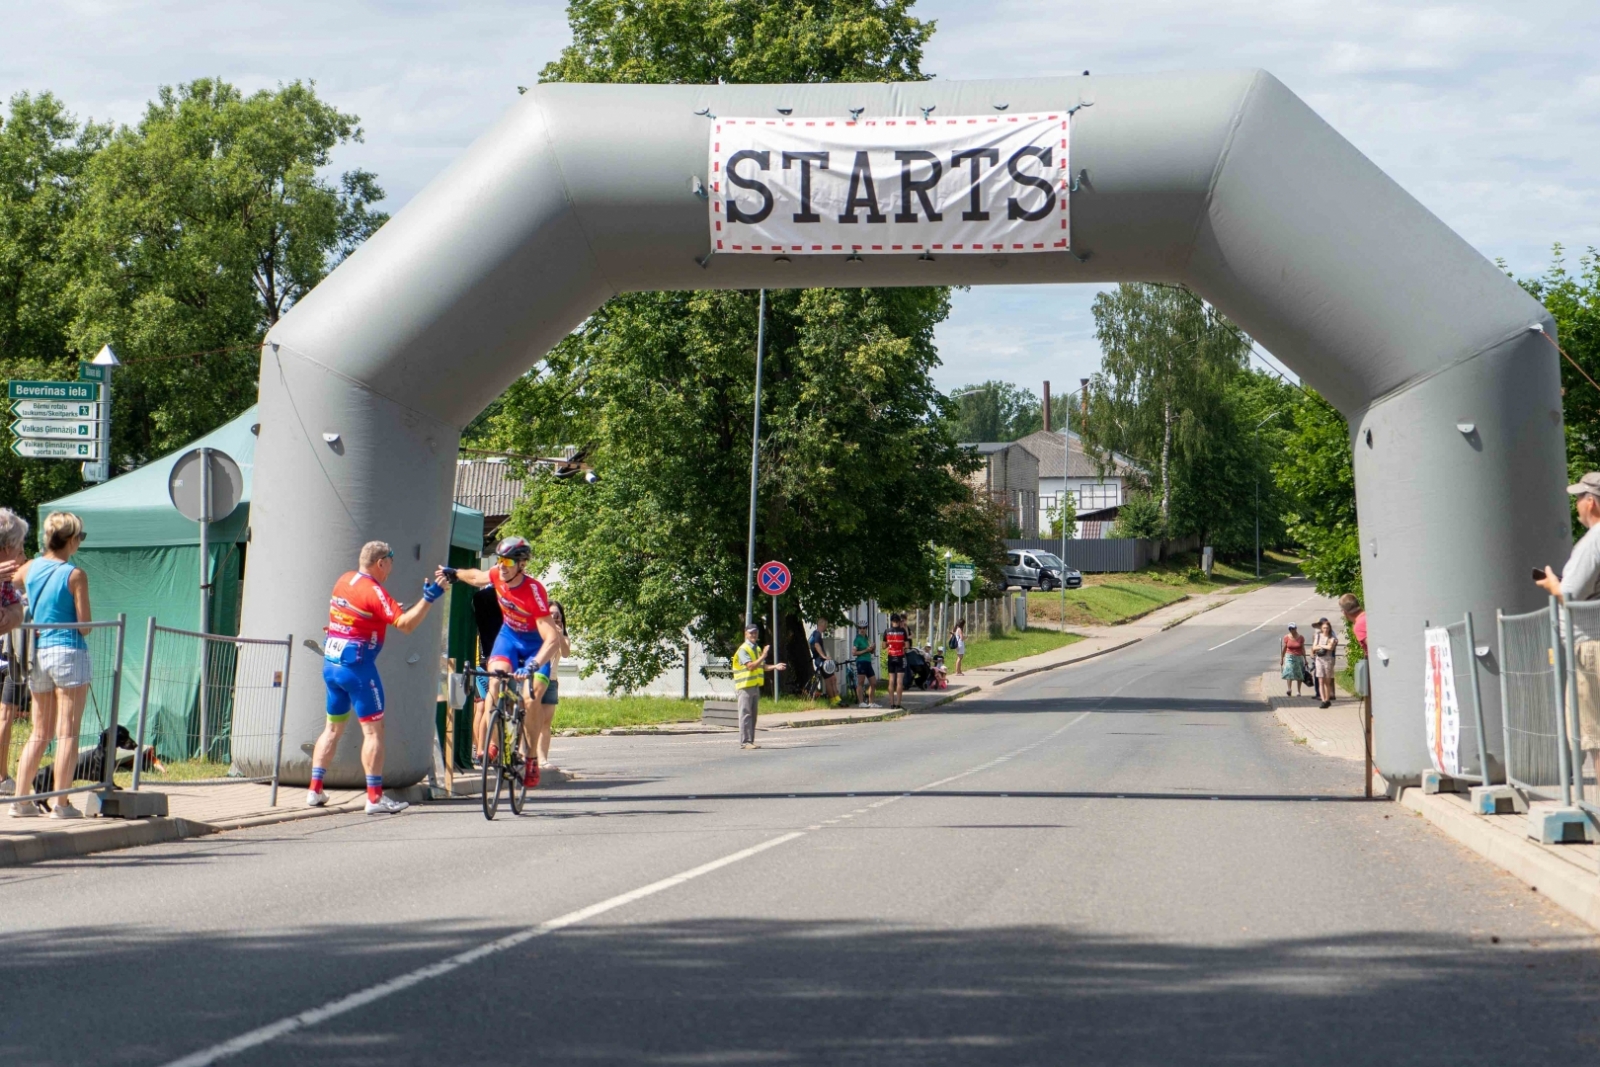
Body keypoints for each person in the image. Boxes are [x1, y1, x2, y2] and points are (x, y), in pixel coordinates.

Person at [308, 540, 445, 815]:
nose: (391, 568)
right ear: (381, 562)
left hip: (332, 665)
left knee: (332, 729)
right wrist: (430, 598)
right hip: (357, 668)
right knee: (373, 731)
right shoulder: (375, 590)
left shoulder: (344, 579)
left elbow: (357, 613)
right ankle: (374, 798)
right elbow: (405, 625)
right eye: (391, 561)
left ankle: (315, 790)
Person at [438, 537, 562, 787]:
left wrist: (533, 665)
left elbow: (551, 639)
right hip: (509, 638)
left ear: (522, 564)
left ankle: (530, 758)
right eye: (499, 559)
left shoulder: (534, 591)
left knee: (530, 696)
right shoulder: (497, 574)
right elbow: (476, 577)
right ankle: (495, 743)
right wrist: (455, 574)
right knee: (494, 681)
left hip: (536, 645)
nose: (501, 565)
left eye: (507, 561)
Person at [12, 512, 93, 819]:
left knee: (39, 731)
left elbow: (11, 581)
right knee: (68, 732)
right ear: (71, 540)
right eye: (80, 538)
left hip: (39, 652)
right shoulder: (75, 575)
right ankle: (61, 803)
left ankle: (20, 801)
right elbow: (85, 625)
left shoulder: (29, 568)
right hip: (69, 653)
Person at [1537, 471, 1600, 802]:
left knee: (1595, 736)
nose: (1576, 505)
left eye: (1579, 498)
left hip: (1590, 644)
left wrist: (1552, 585)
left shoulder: (1594, 541)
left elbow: (1572, 594)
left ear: (1591, 502)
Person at [0, 508, 31, 797]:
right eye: (19, 548)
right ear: (6, 546)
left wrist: (9, 616)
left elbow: (15, 610)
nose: (21, 556)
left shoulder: (6, 580)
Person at [532, 600, 573, 775]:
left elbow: (565, 653)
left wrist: (558, 633)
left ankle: (543, 759)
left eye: (558, 615)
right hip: (535, 679)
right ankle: (530, 757)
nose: (555, 617)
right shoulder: (538, 631)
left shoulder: (562, 636)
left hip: (551, 681)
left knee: (545, 723)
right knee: (531, 720)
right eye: (551, 614)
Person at [733, 622, 785, 749]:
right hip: (745, 687)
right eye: (751, 633)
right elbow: (750, 666)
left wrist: (775, 666)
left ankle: (750, 741)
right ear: (745, 634)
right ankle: (745, 742)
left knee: (753, 715)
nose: (753, 635)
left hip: (754, 686)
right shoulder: (743, 649)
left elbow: (762, 666)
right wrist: (763, 656)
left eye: (755, 632)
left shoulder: (756, 649)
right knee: (745, 714)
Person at [470, 582, 503, 766]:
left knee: (488, 705)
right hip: (483, 663)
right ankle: (481, 748)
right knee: (483, 705)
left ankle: (485, 748)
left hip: (488, 660)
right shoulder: (487, 602)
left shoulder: (482, 601)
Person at [883, 613, 910, 709]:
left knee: (891, 680)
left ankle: (891, 703)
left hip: (891, 656)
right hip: (900, 657)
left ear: (891, 621)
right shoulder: (902, 631)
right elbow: (907, 646)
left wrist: (890, 643)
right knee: (899, 681)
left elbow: (883, 646)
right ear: (899, 621)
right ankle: (898, 703)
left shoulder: (887, 631)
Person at [1311, 617, 1339, 708]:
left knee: (1327, 681)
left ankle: (1327, 699)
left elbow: (1331, 647)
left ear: (1329, 628)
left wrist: (1321, 645)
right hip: (1319, 659)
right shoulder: (1318, 635)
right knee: (1320, 680)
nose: (1325, 630)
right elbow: (1314, 647)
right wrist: (1324, 646)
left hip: (1328, 660)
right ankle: (1323, 700)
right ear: (1321, 628)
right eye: (1324, 628)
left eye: (1327, 628)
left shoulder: (1332, 637)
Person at [808, 618, 837, 705]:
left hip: (819, 660)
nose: (826, 627)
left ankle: (836, 698)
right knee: (829, 680)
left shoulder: (814, 634)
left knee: (833, 679)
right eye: (826, 625)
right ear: (822, 625)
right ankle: (833, 700)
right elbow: (816, 645)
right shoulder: (817, 634)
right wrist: (824, 656)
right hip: (821, 661)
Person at [1279, 623, 1307, 699]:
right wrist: (1282, 658)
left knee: (1299, 674)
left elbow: (1303, 649)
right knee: (1289, 671)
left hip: (1298, 657)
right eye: (1290, 629)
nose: (1291, 630)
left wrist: (1305, 659)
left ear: (1296, 628)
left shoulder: (1301, 638)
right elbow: (1284, 648)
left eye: (1293, 628)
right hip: (1289, 656)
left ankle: (1298, 691)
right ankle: (1289, 689)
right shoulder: (1286, 637)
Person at [852, 621, 877, 708]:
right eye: (860, 628)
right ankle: (861, 702)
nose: (862, 630)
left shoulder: (867, 638)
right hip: (861, 662)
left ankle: (871, 702)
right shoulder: (857, 639)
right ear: (858, 629)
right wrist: (865, 650)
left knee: (873, 683)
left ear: (866, 629)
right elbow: (854, 653)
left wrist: (873, 648)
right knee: (861, 682)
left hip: (868, 661)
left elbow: (872, 652)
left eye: (864, 628)